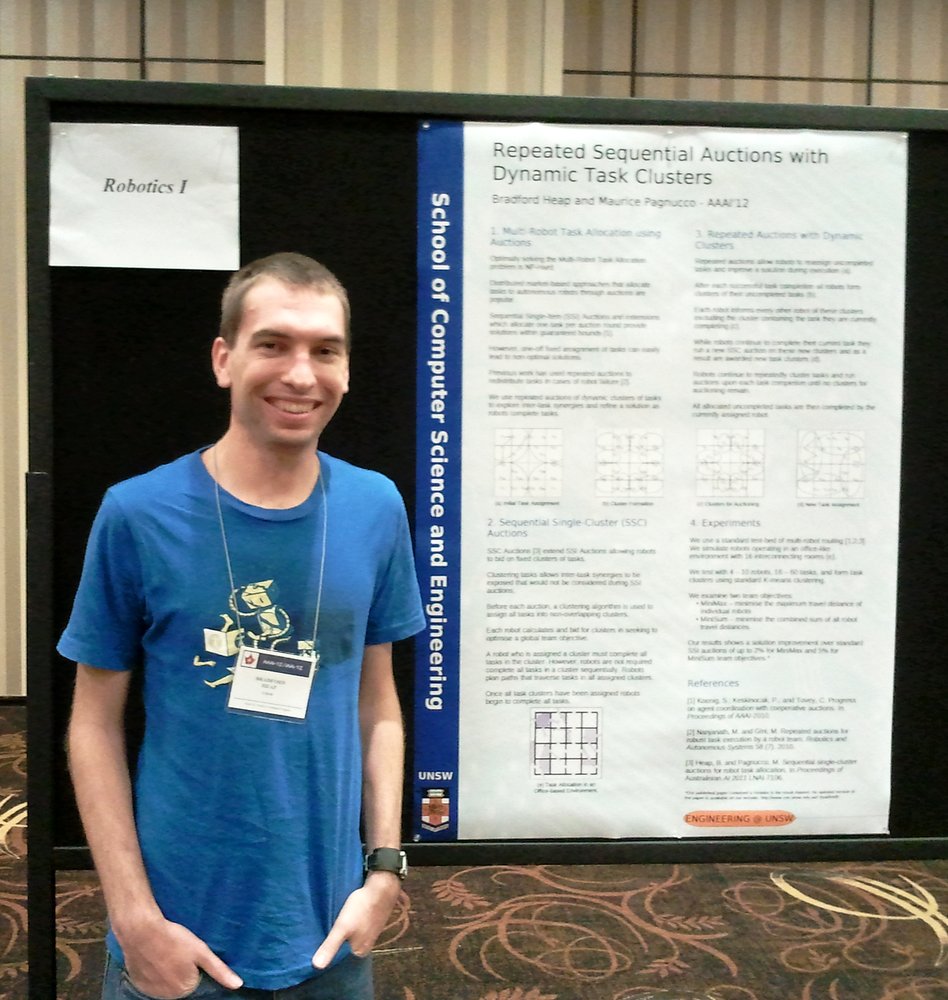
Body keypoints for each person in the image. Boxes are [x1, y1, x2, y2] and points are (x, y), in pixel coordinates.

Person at [59, 252, 426, 999]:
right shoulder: (138, 513)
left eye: (325, 350)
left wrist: (384, 872)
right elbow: (92, 724)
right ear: (224, 359)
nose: (301, 374)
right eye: (273, 344)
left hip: (330, 933)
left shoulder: (376, 507)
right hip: (175, 935)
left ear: (347, 370)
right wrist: (133, 918)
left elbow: (378, 705)